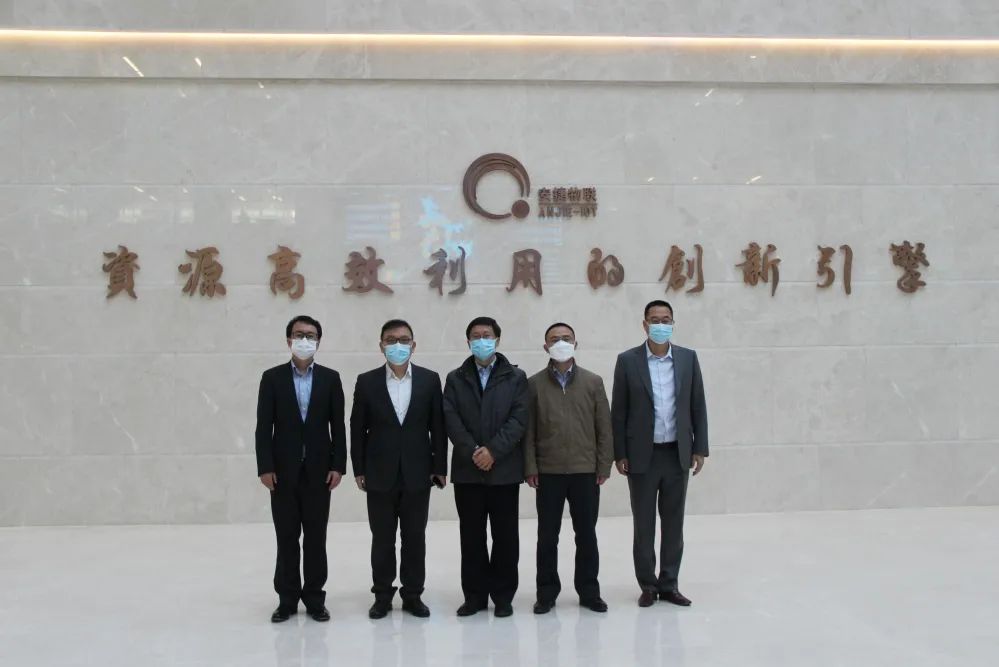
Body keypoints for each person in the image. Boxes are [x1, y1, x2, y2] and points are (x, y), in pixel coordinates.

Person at [611, 300, 708, 608]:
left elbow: (697, 404)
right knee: (644, 525)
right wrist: (619, 453)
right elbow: (619, 411)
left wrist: (700, 448)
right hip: (642, 455)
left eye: (666, 319)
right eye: (655, 320)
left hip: (677, 453)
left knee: (674, 523)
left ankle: (669, 583)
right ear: (644, 325)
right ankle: (648, 585)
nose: (660, 325)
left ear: (673, 323)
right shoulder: (628, 361)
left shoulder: (688, 359)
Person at [350, 319, 447, 619]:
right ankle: (382, 595)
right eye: (391, 340)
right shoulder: (367, 382)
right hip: (379, 472)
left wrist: (440, 466)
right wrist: (358, 468)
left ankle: (413, 595)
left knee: (414, 537)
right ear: (381, 346)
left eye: (404, 340)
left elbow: (438, 426)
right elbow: (357, 428)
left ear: (413, 345)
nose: (398, 345)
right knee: (382, 538)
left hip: (419, 472)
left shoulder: (430, 380)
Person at [255, 315, 346, 623]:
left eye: (310, 335)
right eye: (298, 334)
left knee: (316, 538)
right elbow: (263, 427)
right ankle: (287, 600)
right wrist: (265, 467)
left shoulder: (331, 378)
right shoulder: (272, 378)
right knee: (287, 537)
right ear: (288, 340)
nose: (304, 340)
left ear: (318, 342)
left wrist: (338, 465)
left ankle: (315, 599)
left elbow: (338, 426)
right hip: (282, 473)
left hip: (320, 473)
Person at [524, 322, 613, 614]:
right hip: (548, 472)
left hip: (584, 471)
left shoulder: (593, 382)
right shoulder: (534, 384)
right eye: (554, 339)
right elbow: (528, 431)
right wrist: (530, 466)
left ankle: (589, 592)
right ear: (545, 347)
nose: (560, 343)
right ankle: (546, 593)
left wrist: (603, 465)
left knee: (586, 535)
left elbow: (604, 428)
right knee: (547, 537)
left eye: (566, 338)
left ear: (576, 343)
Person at [443, 316, 528, 618]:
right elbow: (451, 418)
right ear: (468, 342)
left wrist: (493, 451)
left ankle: (503, 596)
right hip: (468, 472)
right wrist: (473, 452)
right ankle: (475, 596)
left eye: (487, 335)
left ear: (497, 340)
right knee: (471, 538)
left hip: (504, 471)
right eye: (476, 336)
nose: (482, 340)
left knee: (506, 538)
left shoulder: (516, 377)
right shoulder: (455, 378)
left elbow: (519, 419)